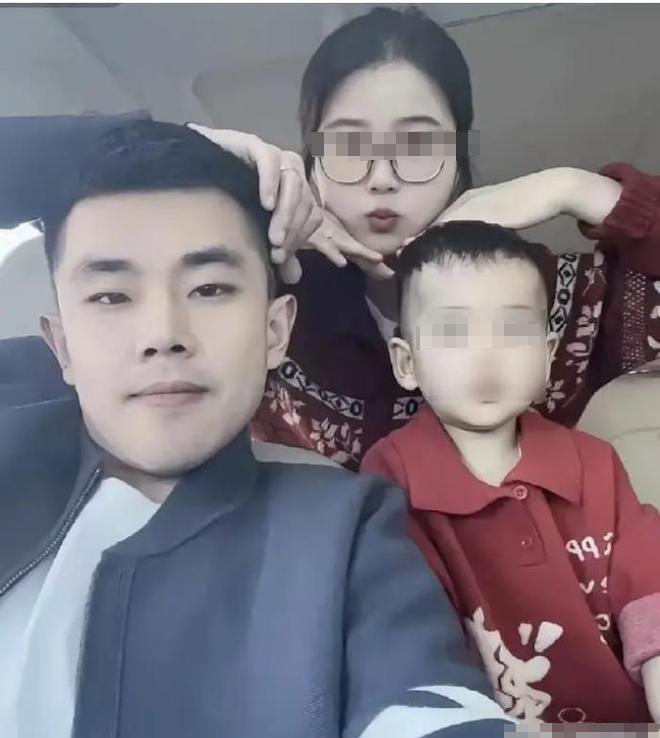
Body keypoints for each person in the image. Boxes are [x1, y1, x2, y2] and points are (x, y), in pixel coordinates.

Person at [0, 119, 531, 738]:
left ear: (276, 332)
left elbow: (433, 716)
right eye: (112, 296)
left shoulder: (342, 531)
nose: (163, 333)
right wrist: (141, 134)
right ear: (60, 345)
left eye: (210, 288)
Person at [194, 6, 660, 470]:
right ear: (309, 161)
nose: (381, 178)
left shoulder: (548, 293)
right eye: (348, 145)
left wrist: (574, 189)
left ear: (459, 158)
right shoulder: (271, 302)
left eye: (418, 145)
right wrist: (229, 179)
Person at [361, 220, 660, 738]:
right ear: (407, 362)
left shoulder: (593, 462)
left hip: (624, 736)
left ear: (547, 355)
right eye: (454, 331)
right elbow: (404, 645)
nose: (487, 354)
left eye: (514, 329)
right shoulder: (391, 478)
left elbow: (650, 597)